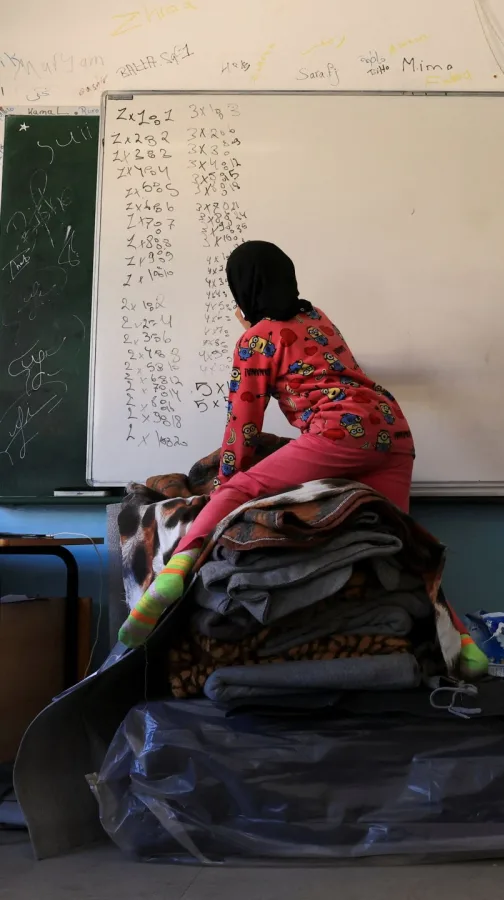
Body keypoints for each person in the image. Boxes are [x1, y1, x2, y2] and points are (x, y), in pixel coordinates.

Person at [118, 240, 416, 647]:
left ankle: (170, 579)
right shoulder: (317, 318)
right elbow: (301, 352)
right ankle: (461, 644)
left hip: (340, 431)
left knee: (239, 488)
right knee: (405, 541)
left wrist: (225, 483)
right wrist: (257, 329)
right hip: (394, 433)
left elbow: (243, 426)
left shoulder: (256, 342)